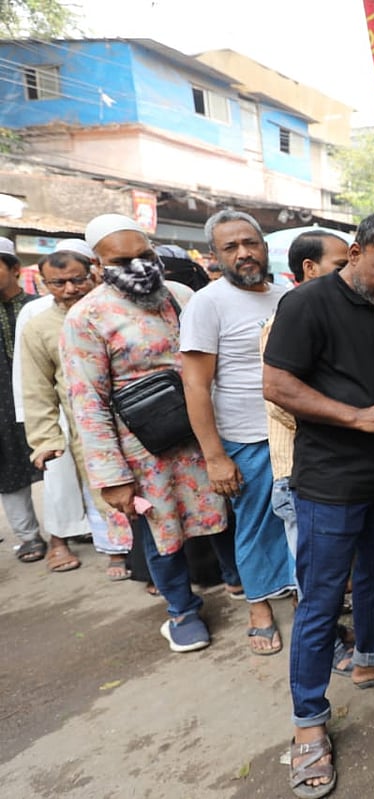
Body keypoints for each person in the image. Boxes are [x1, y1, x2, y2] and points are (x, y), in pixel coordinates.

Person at [263, 211, 374, 799]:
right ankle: (308, 723)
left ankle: (370, 659)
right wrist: (358, 418)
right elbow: (278, 386)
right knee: (319, 601)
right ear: (357, 251)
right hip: (331, 484)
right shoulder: (307, 304)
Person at [63, 214, 233, 653]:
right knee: (162, 531)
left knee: (224, 512)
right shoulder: (86, 317)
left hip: (201, 433)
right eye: (122, 260)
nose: (138, 267)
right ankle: (181, 610)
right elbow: (88, 401)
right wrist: (111, 476)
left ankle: (241, 583)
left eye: (145, 255)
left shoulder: (180, 295)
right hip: (142, 450)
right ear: (98, 266)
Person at [180, 210, 296, 655]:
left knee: (297, 521)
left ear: (264, 246)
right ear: (214, 255)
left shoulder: (286, 296)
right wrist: (214, 456)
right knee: (256, 524)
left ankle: (297, 591)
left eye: (251, 243)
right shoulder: (207, 304)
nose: (244, 253)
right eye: (231, 247)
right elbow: (195, 383)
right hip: (245, 438)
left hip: (293, 434)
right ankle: (260, 606)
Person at [20, 243, 133, 578]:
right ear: (43, 284)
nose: (70, 289)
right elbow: (36, 389)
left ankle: (153, 559)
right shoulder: (39, 328)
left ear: (93, 273)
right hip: (87, 425)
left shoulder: (115, 310)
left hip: (135, 416)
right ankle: (118, 551)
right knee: (104, 488)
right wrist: (44, 439)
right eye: (58, 283)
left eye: (77, 279)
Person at [265, 230, 351, 562]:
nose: (349, 271)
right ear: (310, 268)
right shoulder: (286, 319)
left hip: (332, 462)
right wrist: (350, 417)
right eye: (340, 264)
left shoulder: (335, 315)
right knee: (316, 571)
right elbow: (280, 399)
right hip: (300, 469)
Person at [0, 237, 48, 564]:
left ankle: (73, 527)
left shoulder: (39, 306)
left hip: (39, 396)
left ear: (15, 269)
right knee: (8, 470)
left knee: (57, 464)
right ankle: (29, 537)